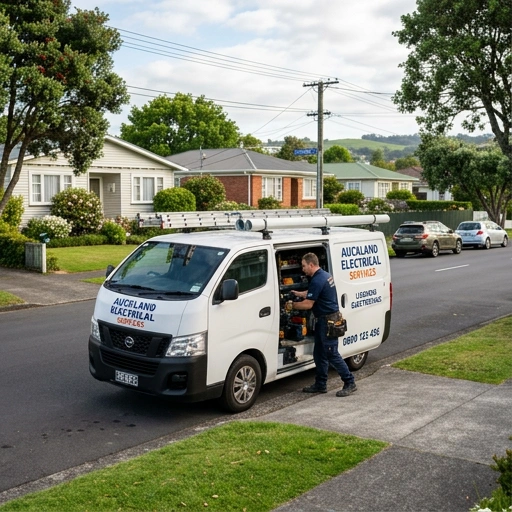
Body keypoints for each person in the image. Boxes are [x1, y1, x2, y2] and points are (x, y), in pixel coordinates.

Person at [287, 252, 356, 397]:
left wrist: (292, 305)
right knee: (319, 354)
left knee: (331, 354)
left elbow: (308, 305)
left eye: (304, 266)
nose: (303, 269)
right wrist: (300, 294)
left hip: (327, 322)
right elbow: (314, 292)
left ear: (311, 265)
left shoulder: (318, 280)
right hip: (324, 321)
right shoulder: (323, 275)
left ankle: (350, 382)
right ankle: (320, 384)